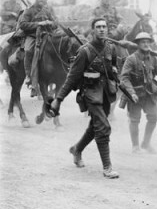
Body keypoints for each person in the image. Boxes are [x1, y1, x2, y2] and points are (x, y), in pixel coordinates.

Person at [51, 16, 120, 179]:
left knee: (94, 126)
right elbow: (71, 78)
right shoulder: (84, 51)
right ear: (93, 30)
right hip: (90, 93)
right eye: (98, 27)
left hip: (105, 93)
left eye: (104, 26)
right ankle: (107, 167)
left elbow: (113, 67)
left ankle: (77, 149)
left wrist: (115, 72)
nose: (102, 29)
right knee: (103, 127)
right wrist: (58, 99)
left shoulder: (111, 48)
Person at [120, 32, 157, 154]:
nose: (146, 44)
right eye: (143, 42)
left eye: (148, 42)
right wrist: (131, 93)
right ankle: (135, 146)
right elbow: (124, 78)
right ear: (138, 44)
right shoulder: (131, 59)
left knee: (154, 117)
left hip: (149, 94)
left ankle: (146, 143)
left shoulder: (153, 58)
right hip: (135, 94)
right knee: (134, 120)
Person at [17, 0, 57, 92]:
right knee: (28, 50)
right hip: (32, 36)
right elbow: (22, 24)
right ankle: (29, 75)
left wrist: (50, 23)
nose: (41, 0)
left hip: (46, 35)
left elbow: (56, 23)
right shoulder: (29, 10)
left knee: (56, 49)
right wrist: (39, 24)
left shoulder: (48, 10)